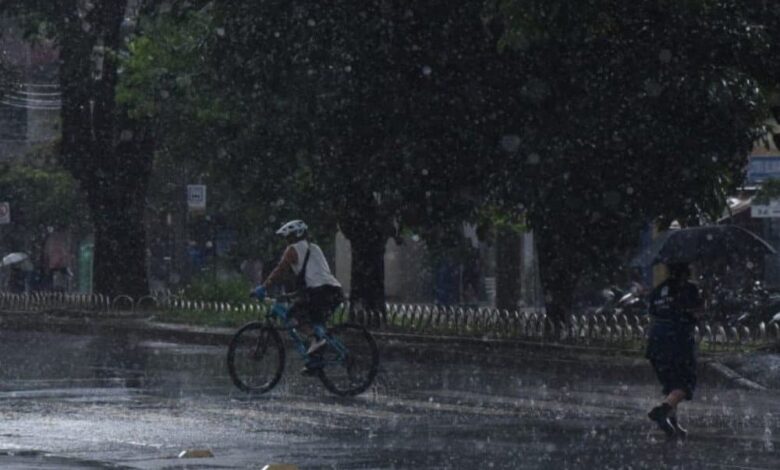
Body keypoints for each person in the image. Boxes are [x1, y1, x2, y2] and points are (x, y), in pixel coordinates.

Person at [251, 219, 344, 374]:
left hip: (319, 292)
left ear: (296, 235)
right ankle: (315, 362)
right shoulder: (315, 248)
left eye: (288, 237)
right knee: (316, 324)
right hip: (333, 291)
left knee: (293, 316)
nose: (286, 242)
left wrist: (263, 287)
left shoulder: (293, 249)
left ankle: (317, 341)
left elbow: (280, 270)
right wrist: (291, 295)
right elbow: (316, 276)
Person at [645, 262, 703, 439]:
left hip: (656, 343)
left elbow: (653, 313)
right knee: (685, 383)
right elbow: (697, 312)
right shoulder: (689, 288)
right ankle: (662, 412)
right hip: (678, 341)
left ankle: (672, 424)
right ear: (686, 273)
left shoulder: (658, 290)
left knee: (671, 385)